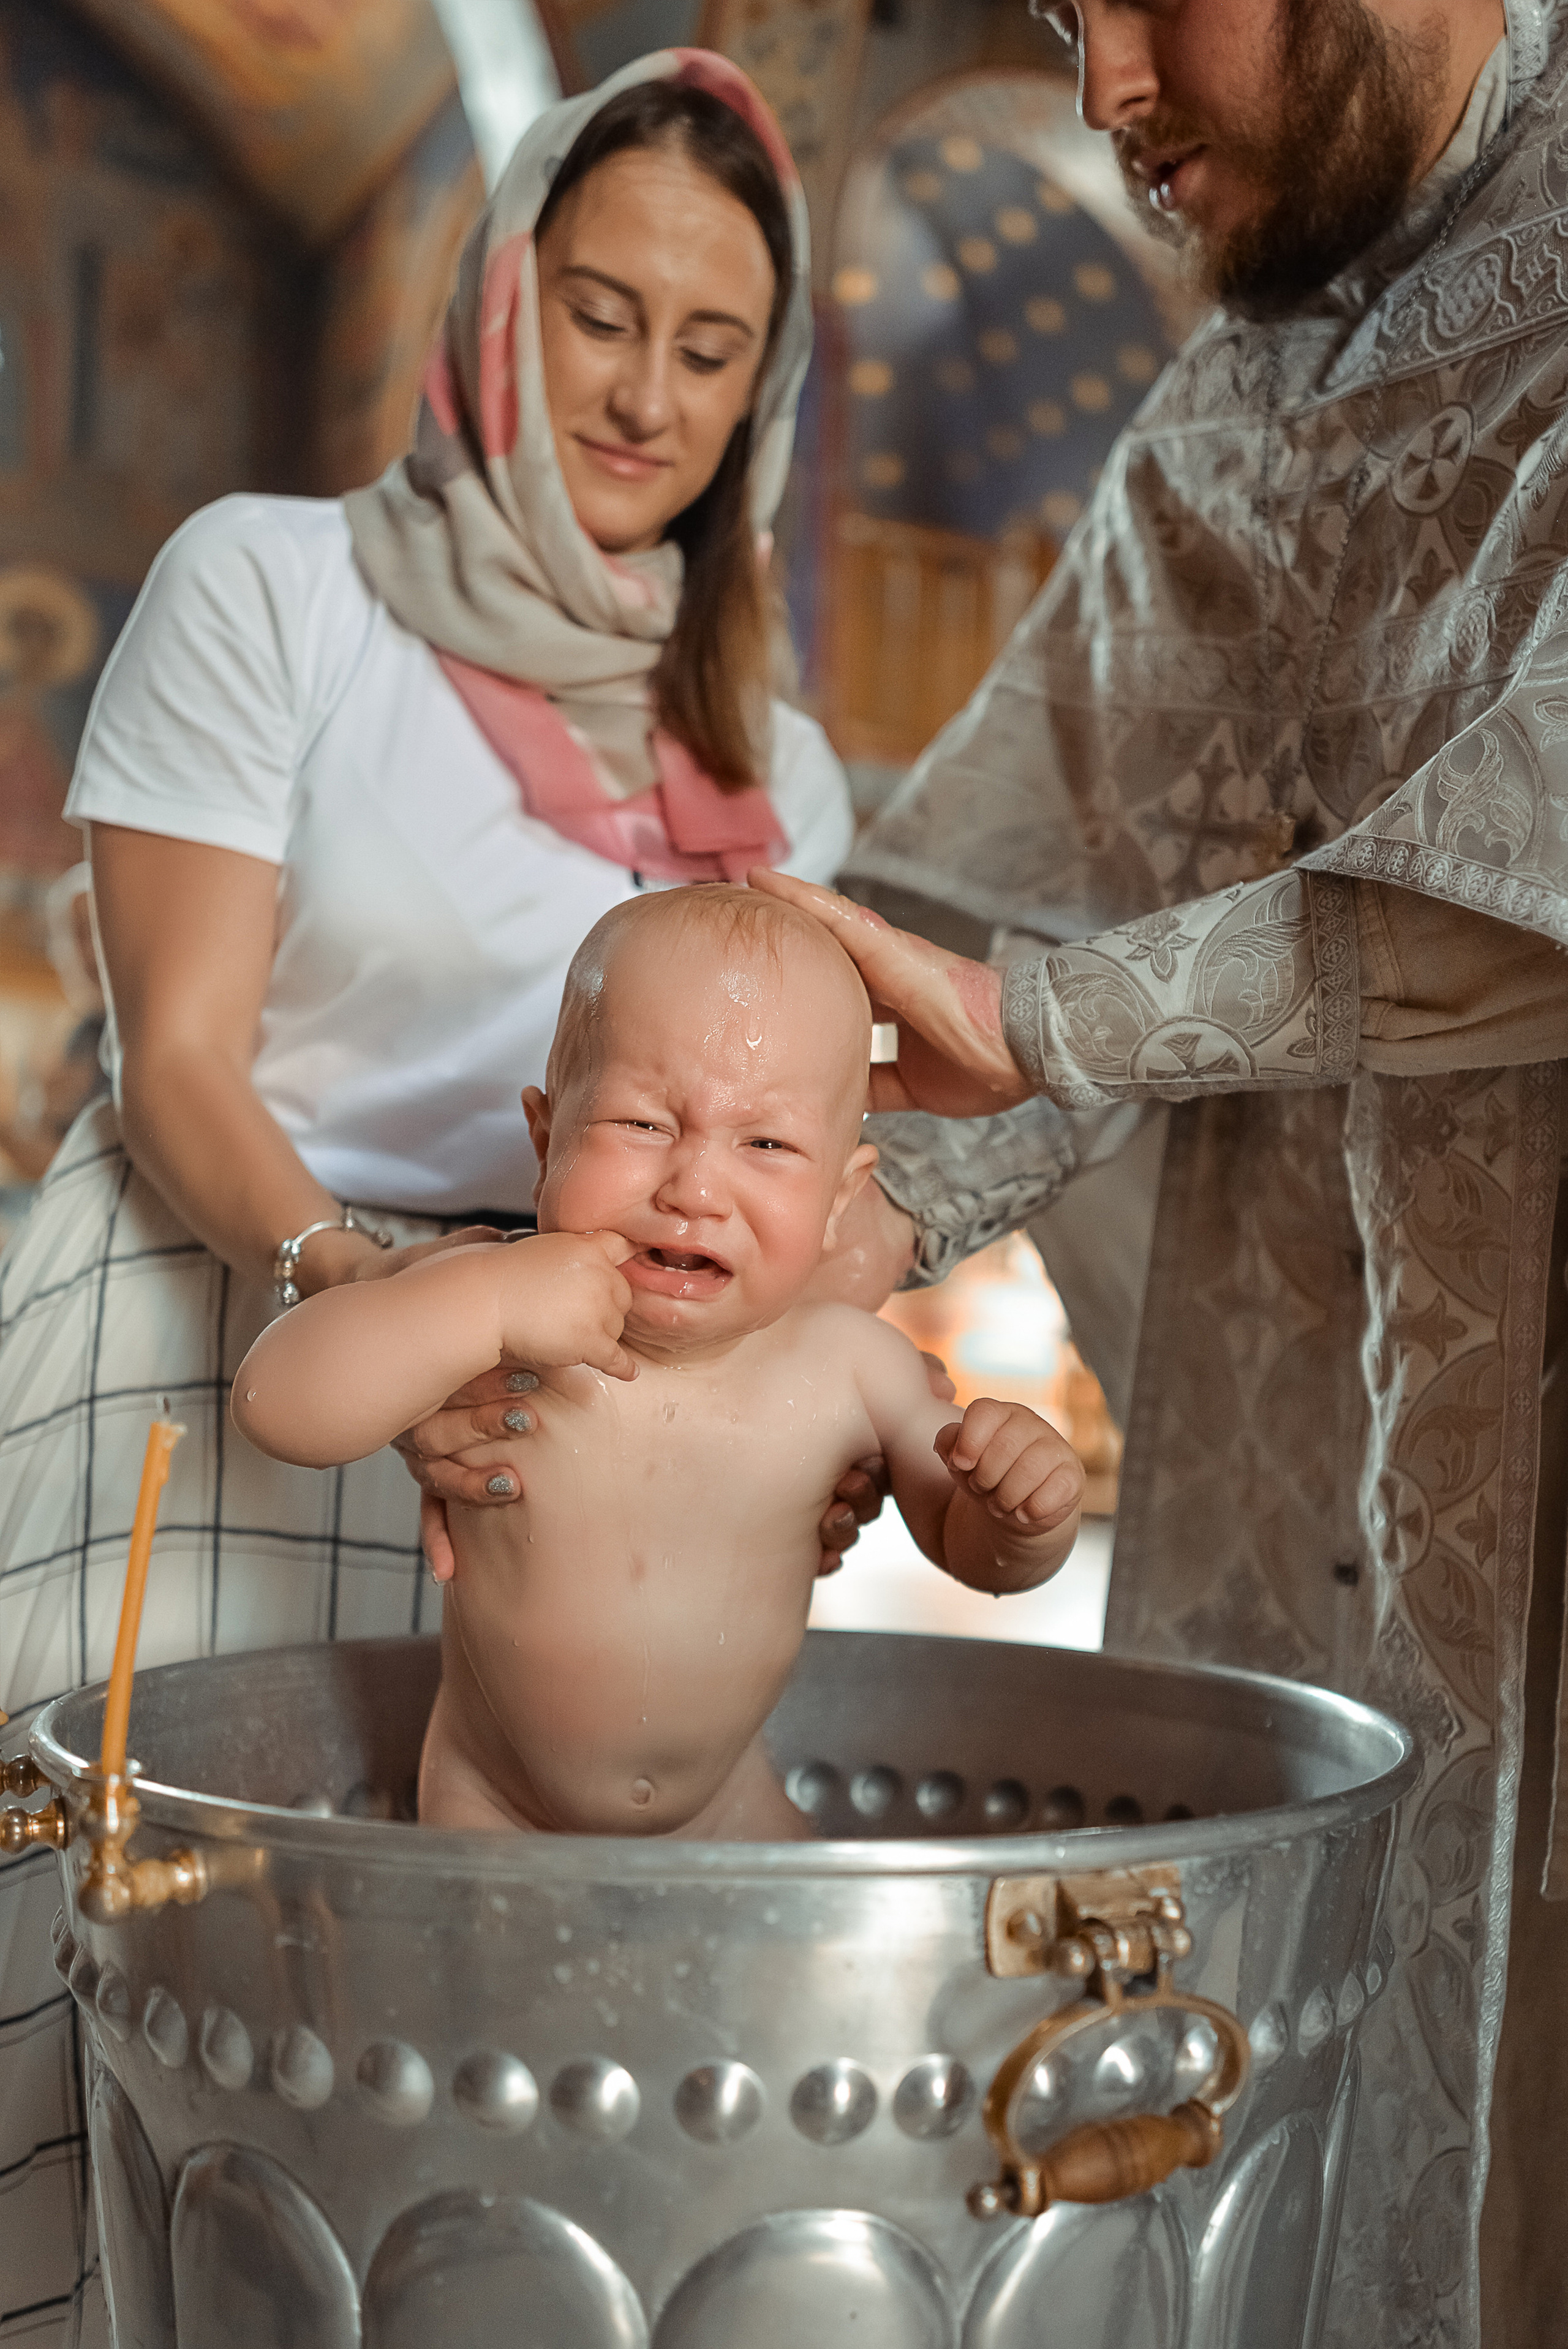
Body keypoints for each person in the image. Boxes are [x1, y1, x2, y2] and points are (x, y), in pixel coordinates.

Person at [0, 53, 864, 2340]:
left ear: (763, 390)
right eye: (602, 310)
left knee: (415, 2064)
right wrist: (371, 1288)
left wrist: (809, 1439)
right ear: (498, 297)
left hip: (552, 1428)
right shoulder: (275, 586)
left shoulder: (776, 771)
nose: (645, 388)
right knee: (103, 1969)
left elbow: (776, 1171)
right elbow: (179, 1051)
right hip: (222, 1325)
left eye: (711, 347)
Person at [743, 3, 1568, 2342]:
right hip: (1312, 1506)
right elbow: (1042, 899)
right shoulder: (1247, 391)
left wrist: (1048, 1024)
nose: (1099, 88)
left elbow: (1535, 852)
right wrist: (814, 1250)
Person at [232, 888, 1082, 1839]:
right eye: (642, 1125)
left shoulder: (852, 1366)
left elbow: (976, 1554)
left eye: (766, 1143)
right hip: (498, 1815)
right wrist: (480, 1302)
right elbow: (276, 1402)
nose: (695, 1187)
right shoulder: (492, 1315)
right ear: (545, 1138)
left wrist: (1021, 1510)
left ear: (842, 1199)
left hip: (729, 1814)